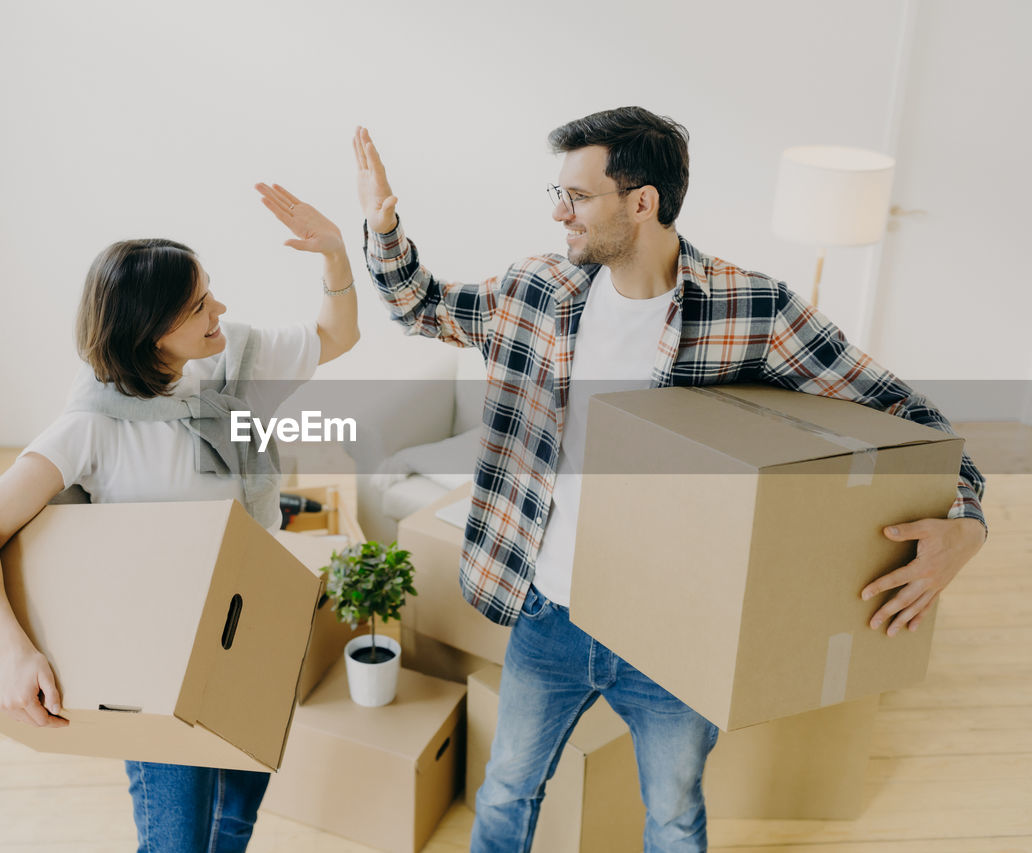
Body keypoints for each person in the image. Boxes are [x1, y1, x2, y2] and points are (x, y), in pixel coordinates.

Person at [352, 110, 986, 852]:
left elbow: (909, 413)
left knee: (676, 815)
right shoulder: (538, 290)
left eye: (578, 196)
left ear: (642, 201)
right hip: (546, 613)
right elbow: (422, 306)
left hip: (676, 635)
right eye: (557, 193)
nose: (560, 212)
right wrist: (381, 226)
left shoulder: (750, 308)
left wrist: (968, 518)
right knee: (506, 793)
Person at [0, 182, 359, 853]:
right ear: (149, 332)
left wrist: (335, 254)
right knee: (175, 842)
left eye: (210, 292)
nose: (219, 308)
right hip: (159, 657)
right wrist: (12, 652)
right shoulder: (93, 424)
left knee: (236, 814)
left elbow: (336, 335)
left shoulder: (233, 360)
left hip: (256, 630)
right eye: (199, 305)